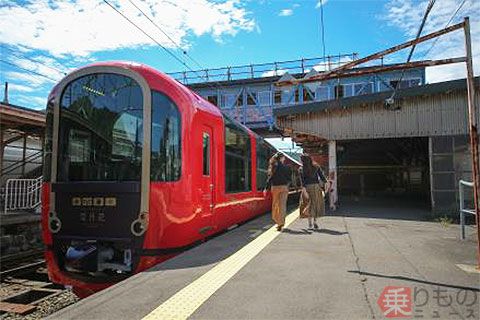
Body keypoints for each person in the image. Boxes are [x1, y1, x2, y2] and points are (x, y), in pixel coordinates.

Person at [264, 152, 291, 231]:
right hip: (284, 188)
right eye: (284, 157)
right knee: (282, 206)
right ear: (281, 158)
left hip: (275, 188)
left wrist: (266, 188)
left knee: (275, 205)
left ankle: (277, 221)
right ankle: (281, 223)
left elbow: (269, 178)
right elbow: (289, 179)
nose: (284, 159)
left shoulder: (273, 167)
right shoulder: (286, 168)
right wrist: (287, 186)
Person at [299, 154, 327, 229]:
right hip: (316, 188)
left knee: (308, 204)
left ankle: (310, 224)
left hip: (307, 188)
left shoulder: (301, 169)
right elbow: (323, 178)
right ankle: (315, 222)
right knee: (316, 204)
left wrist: (304, 190)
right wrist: (325, 186)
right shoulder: (316, 167)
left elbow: (303, 182)